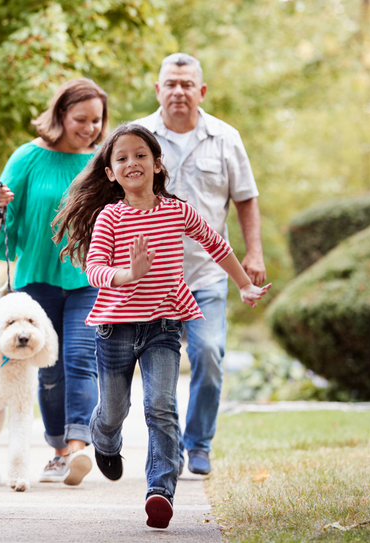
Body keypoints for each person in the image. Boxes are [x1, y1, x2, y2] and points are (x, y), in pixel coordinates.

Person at [53, 123, 270, 529]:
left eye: (140, 155)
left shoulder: (177, 210)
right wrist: (127, 274)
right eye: (121, 158)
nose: (132, 162)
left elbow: (216, 243)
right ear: (110, 173)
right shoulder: (109, 217)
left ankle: (160, 490)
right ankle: (105, 440)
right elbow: (95, 269)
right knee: (114, 410)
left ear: (156, 163)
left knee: (161, 406)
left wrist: (243, 284)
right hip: (115, 327)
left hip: (163, 326)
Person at [132, 53, 267, 476]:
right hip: (152, 280)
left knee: (209, 353)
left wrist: (254, 252)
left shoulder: (226, 138)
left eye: (187, 84)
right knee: (157, 372)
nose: (178, 91)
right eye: (170, 83)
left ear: (201, 91)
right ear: (158, 90)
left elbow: (245, 197)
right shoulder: (138, 138)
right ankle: (166, 451)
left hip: (209, 273)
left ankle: (199, 443)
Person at [0, 78, 109, 485]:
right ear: (60, 115)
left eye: (96, 120)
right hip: (36, 281)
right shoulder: (28, 157)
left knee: (80, 360)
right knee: (47, 370)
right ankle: (59, 452)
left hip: (88, 278)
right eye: (80, 119)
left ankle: (79, 446)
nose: (89, 128)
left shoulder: (103, 161)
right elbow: (5, 230)